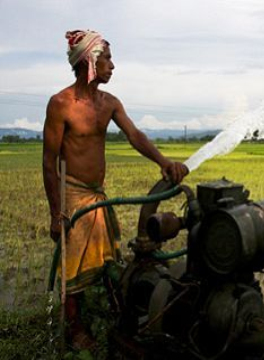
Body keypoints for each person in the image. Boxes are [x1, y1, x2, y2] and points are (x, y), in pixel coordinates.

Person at [42, 29, 189, 350]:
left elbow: (135, 135)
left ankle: (113, 310)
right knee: (74, 265)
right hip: (72, 192)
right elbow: (49, 161)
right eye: (107, 57)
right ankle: (75, 327)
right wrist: (57, 213)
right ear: (89, 62)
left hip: (97, 193)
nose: (113, 65)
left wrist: (164, 163)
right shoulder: (61, 104)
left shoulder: (109, 103)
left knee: (107, 256)